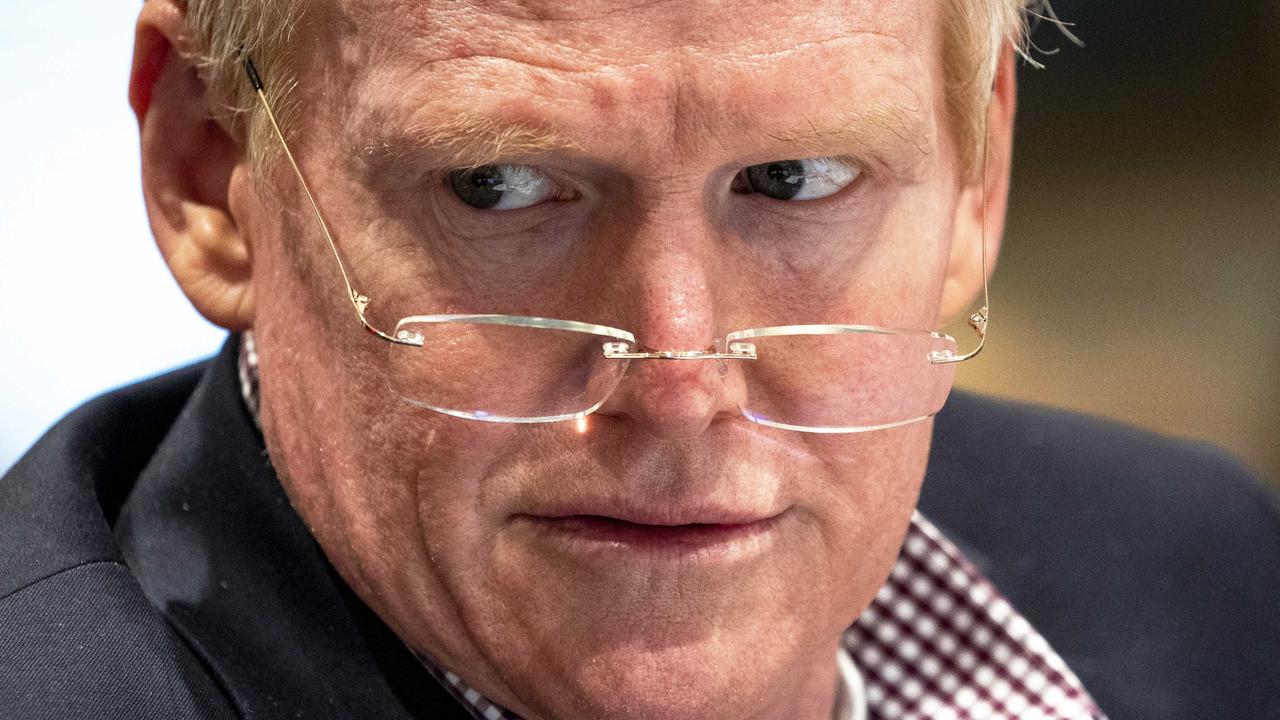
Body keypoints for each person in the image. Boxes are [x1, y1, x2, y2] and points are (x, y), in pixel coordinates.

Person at [1, 1, 1277, 718]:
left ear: (975, 180)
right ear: (208, 174)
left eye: (793, 181)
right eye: (500, 188)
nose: (678, 379)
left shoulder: (1202, 580)